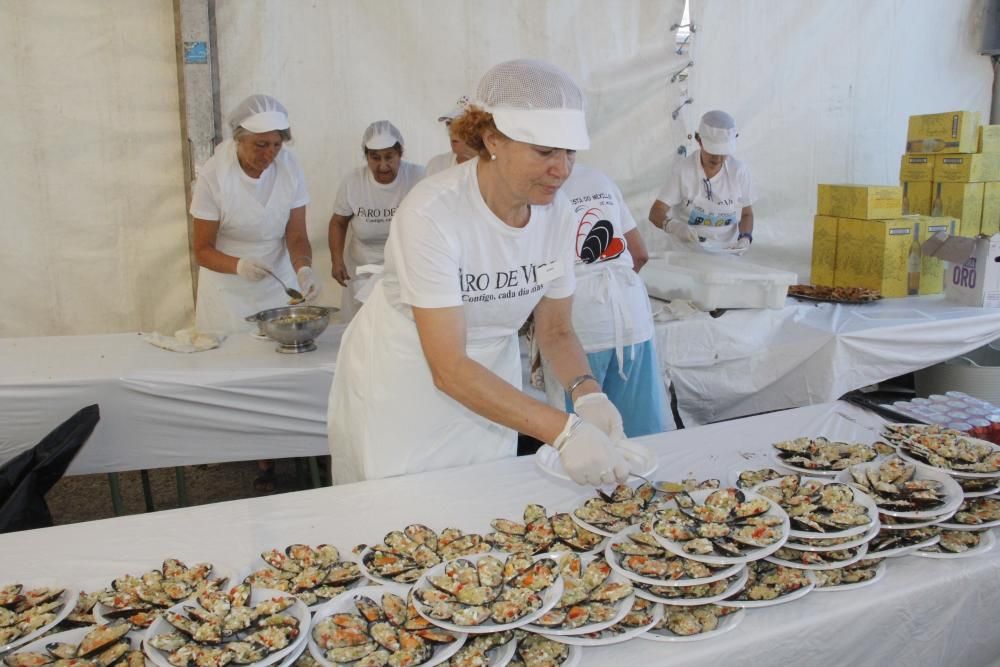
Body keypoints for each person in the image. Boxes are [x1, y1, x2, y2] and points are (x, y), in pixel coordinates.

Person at [327, 59, 631, 487]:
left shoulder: (557, 212)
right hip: (408, 379)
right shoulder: (433, 213)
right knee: (405, 511)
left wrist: (587, 393)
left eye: (570, 152)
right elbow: (448, 367)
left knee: (485, 497)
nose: (562, 169)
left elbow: (557, 330)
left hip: (492, 381)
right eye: (545, 151)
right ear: (492, 140)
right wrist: (563, 431)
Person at [190, 93, 317, 494]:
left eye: (277, 145)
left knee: (276, 369)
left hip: (275, 276)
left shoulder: (290, 168)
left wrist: (303, 267)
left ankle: (273, 453)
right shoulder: (214, 175)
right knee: (232, 370)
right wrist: (239, 266)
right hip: (227, 284)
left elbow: (296, 234)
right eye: (261, 144)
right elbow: (202, 250)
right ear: (238, 139)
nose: (269, 154)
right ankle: (233, 443)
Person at [541, 163, 671, 436]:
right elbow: (639, 253)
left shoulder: (535, 188)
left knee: (581, 432)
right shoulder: (599, 179)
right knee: (640, 430)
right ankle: (642, 477)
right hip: (630, 314)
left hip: (577, 322)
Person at [328, 121, 425, 320]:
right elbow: (338, 222)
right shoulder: (353, 182)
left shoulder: (419, 177)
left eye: (389, 157)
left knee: (398, 325)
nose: (382, 166)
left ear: (400, 154)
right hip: (362, 267)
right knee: (361, 326)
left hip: (404, 267)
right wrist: (336, 260)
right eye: (375, 158)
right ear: (366, 156)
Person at [648, 110, 756, 252]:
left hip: (726, 250)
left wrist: (745, 237)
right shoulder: (683, 170)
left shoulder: (739, 171)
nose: (717, 159)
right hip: (686, 250)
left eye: (723, 153)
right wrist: (673, 226)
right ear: (698, 139)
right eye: (712, 152)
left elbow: (746, 214)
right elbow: (656, 212)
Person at [425, 96, 479, 177]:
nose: (453, 130)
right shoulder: (437, 165)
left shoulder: (493, 167)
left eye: (463, 125)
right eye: (449, 123)